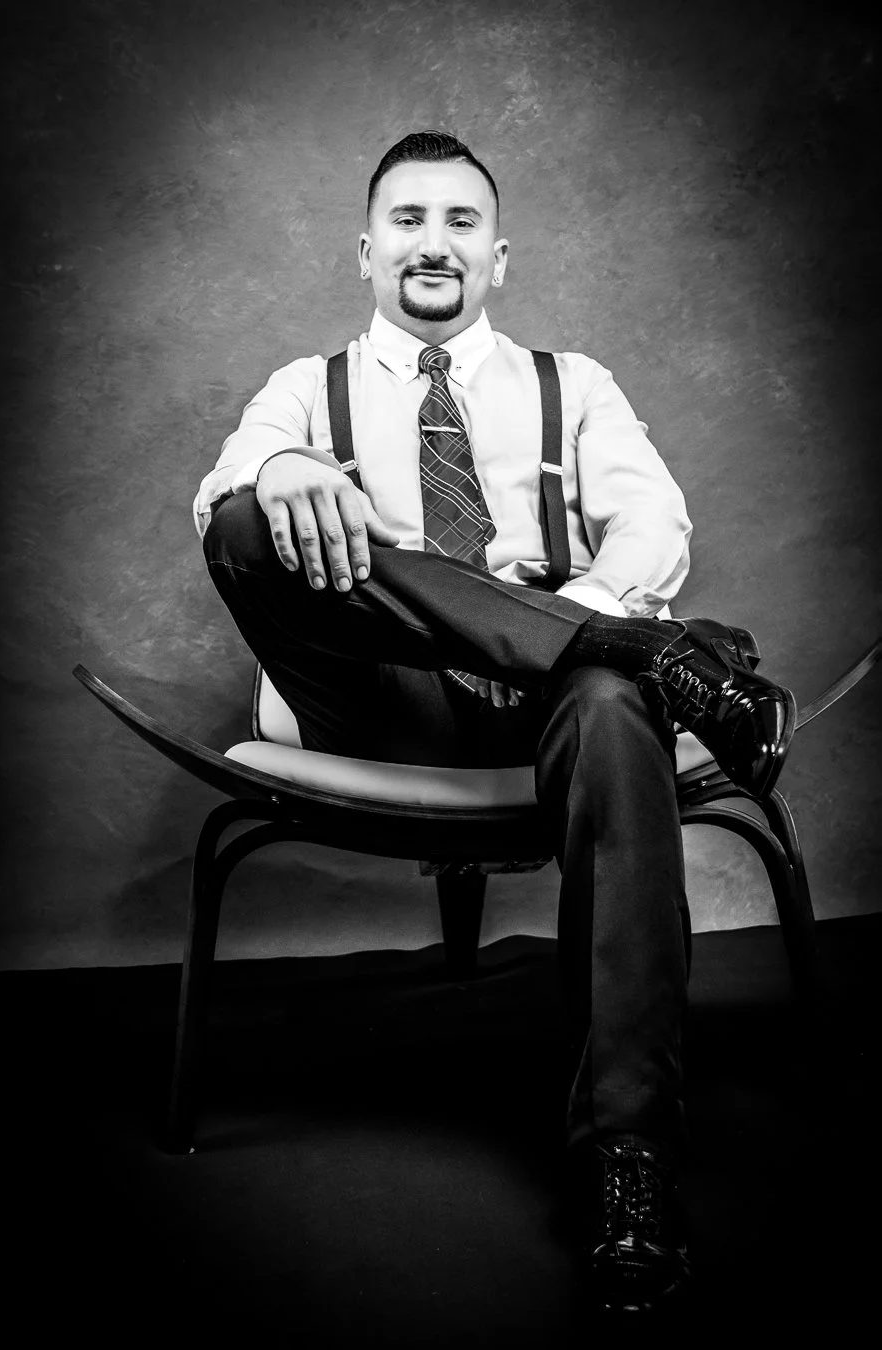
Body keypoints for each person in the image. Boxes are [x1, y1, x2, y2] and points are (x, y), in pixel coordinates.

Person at [193, 130, 795, 1313]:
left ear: (499, 256)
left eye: (460, 221)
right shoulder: (296, 393)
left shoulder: (574, 383)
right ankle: (642, 653)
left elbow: (651, 529)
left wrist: (556, 617)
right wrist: (276, 473)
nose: (432, 242)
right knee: (245, 524)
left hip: (550, 717)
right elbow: (220, 509)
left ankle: (628, 1153)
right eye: (407, 220)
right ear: (363, 251)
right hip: (376, 709)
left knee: (610, 697)